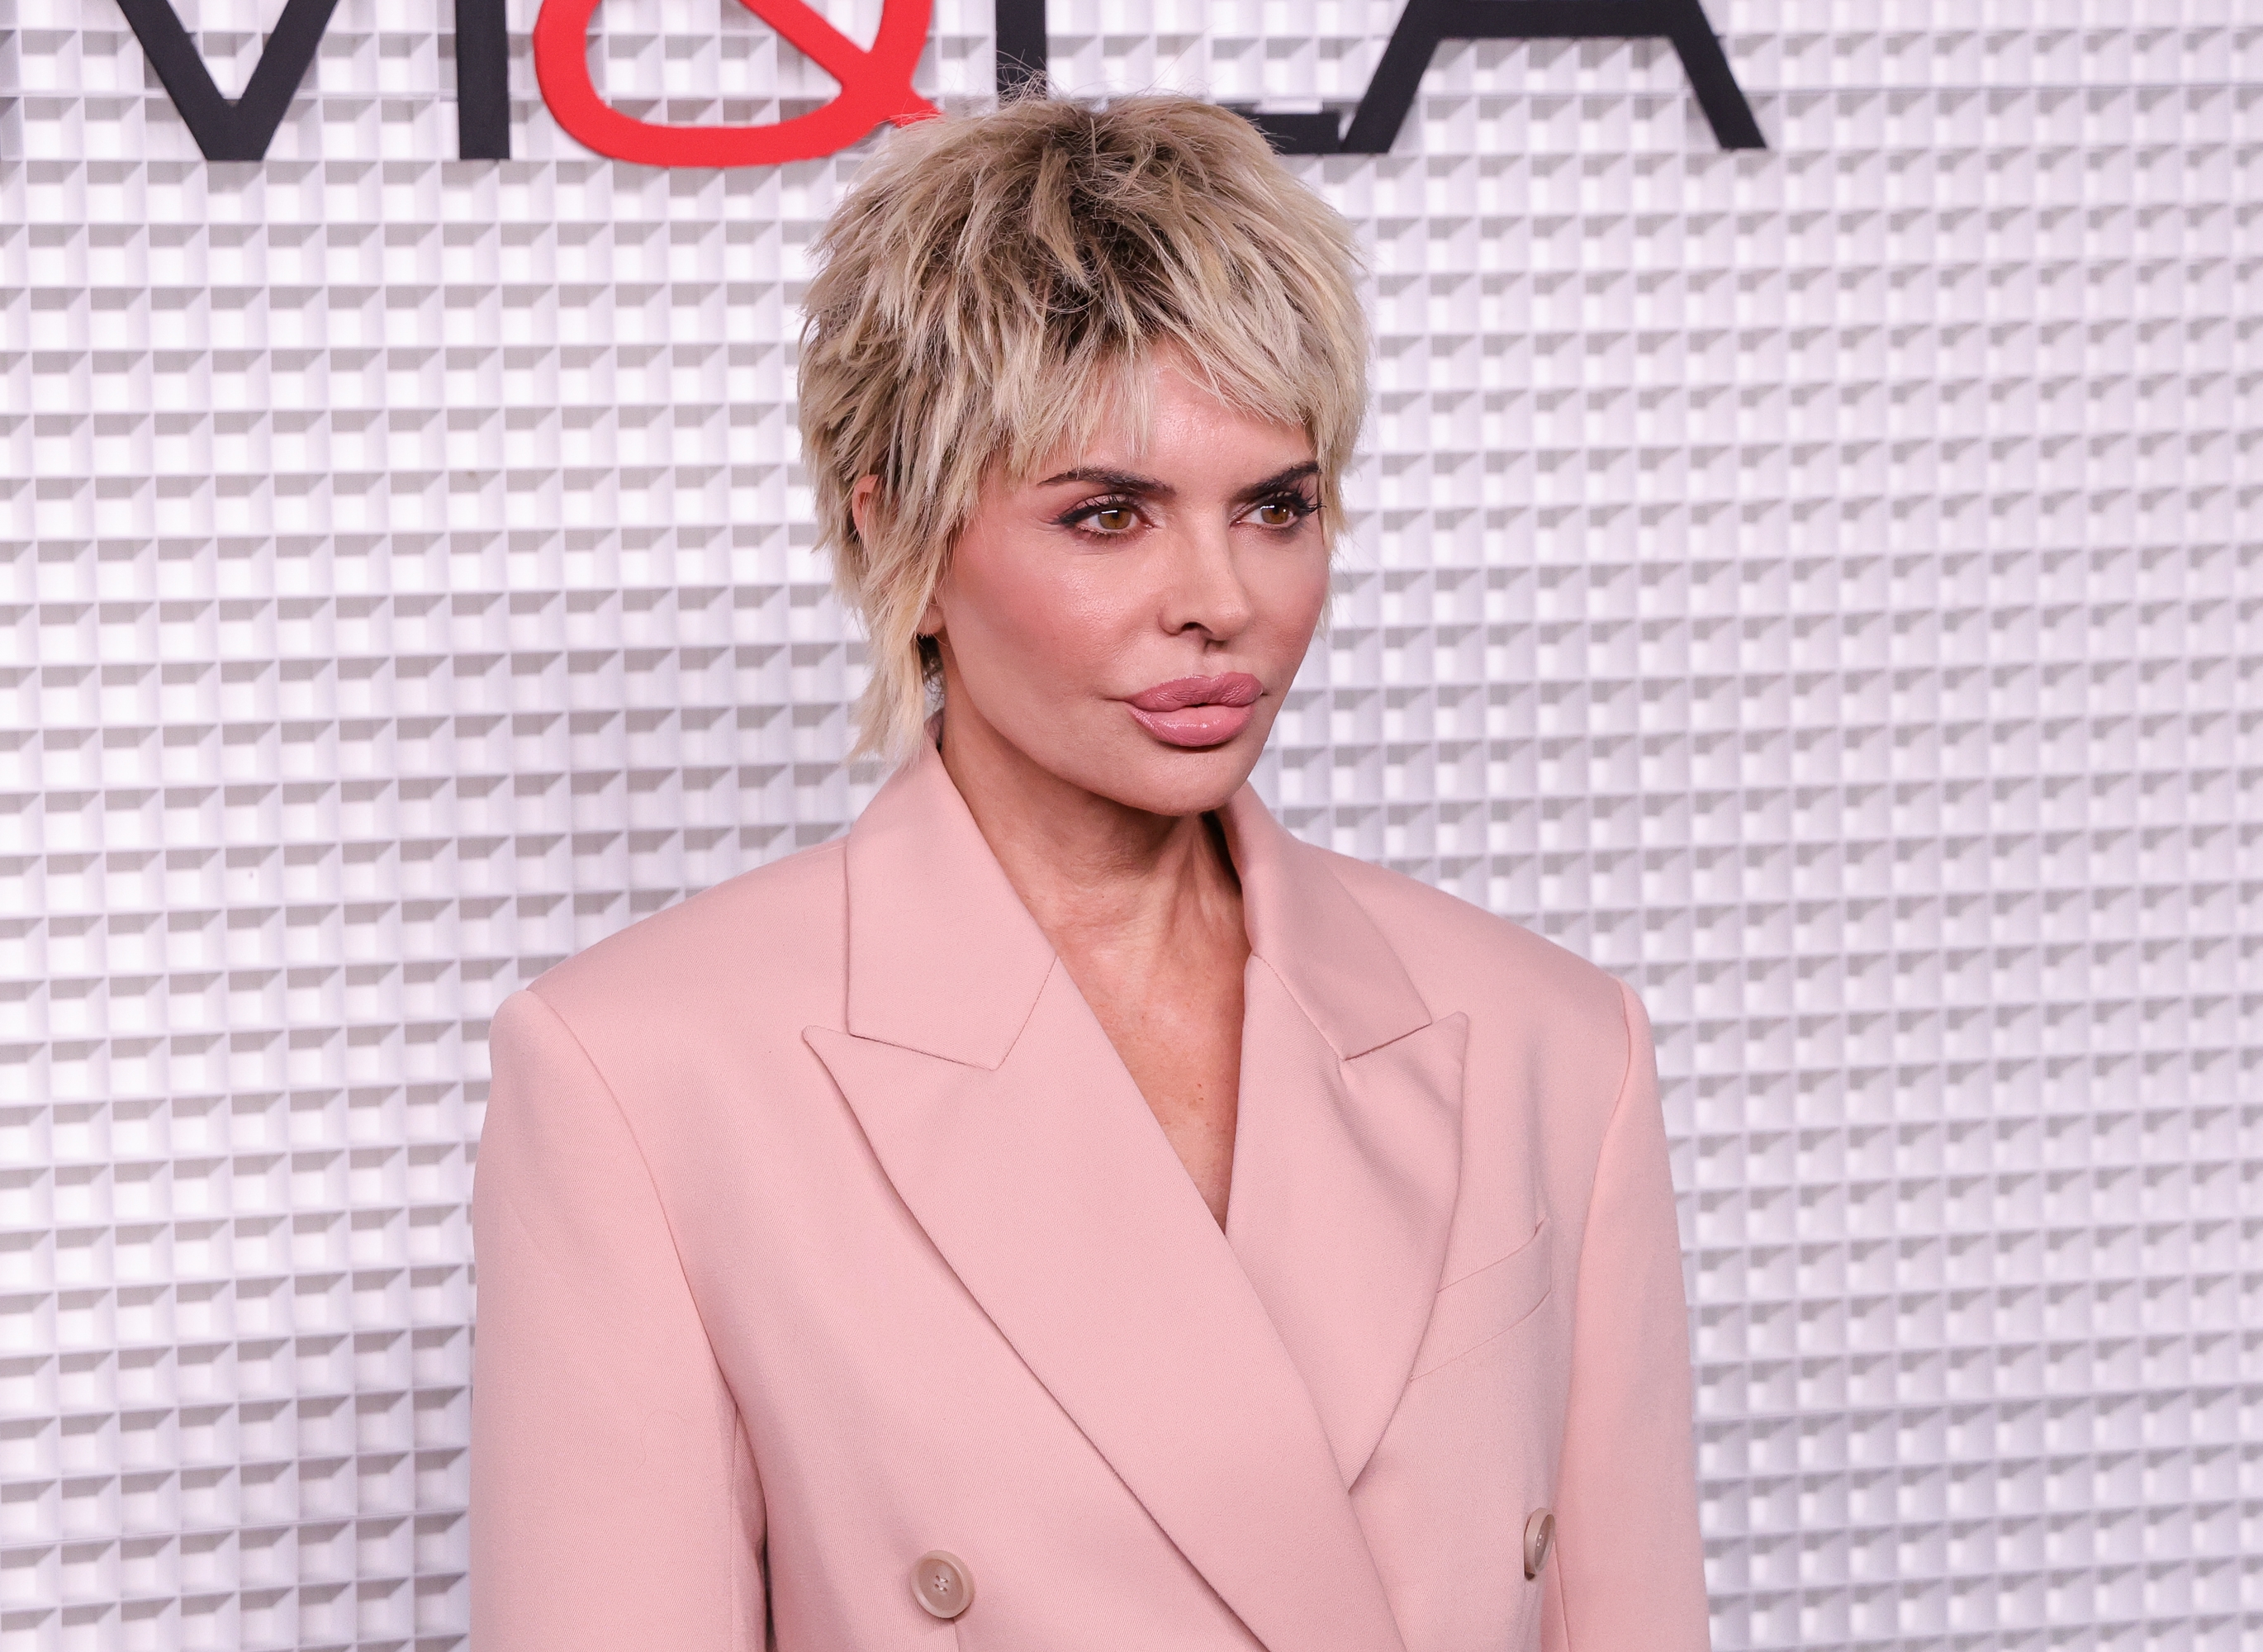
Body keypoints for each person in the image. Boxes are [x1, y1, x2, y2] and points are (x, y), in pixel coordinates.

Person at [467, 93, 1706, 1652]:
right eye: (1107, 515)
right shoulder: (643, 1077)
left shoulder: (1552, 1038)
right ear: (902, 540)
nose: (1220, 602)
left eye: (1277, 507)